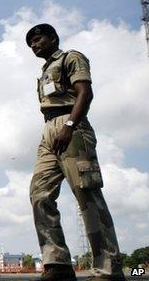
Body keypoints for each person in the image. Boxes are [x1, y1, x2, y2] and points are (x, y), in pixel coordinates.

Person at [26, 23, 125, 281]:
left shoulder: (71, 57)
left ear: (53, 38)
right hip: (48, 130)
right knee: (39, 194)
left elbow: (85, 93)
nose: (34, 46)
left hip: (71, 125)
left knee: (87, 195)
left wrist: (70, 125)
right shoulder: (45, 70)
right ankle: (57, 263)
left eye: (37, 40)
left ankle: (108, 269)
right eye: (31, 44)